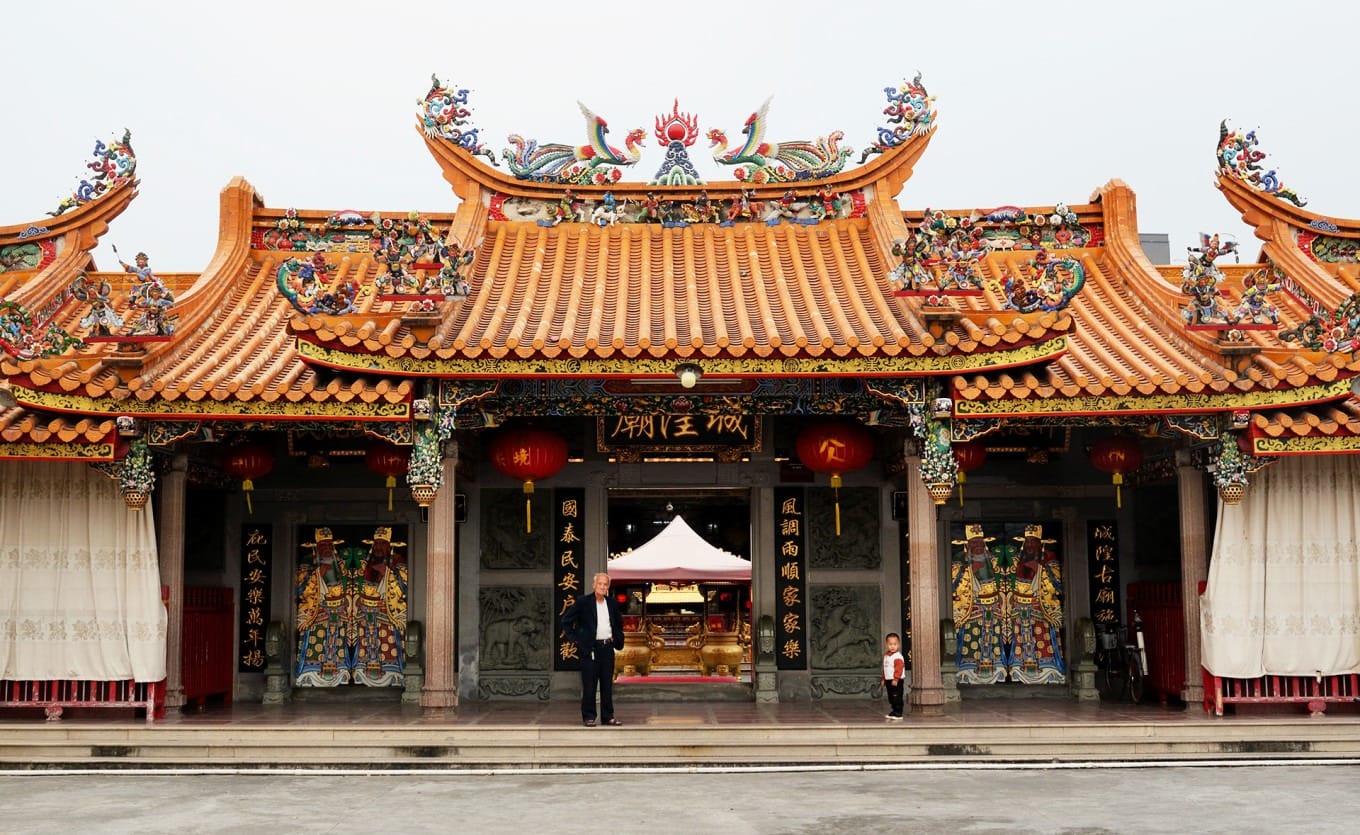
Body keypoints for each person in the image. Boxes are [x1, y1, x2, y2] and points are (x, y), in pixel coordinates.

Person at [561, 572, 625, 726]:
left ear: (608, 587)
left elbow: (618, 624)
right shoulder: (583, 602)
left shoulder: (612, 603)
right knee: (589, 685)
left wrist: (615, 638)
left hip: (607, 648)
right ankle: (589, 716)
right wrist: (577, 639)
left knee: (607, 685)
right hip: (590, 649)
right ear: (594, 585)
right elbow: (566, 621)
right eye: (600, 584)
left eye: (605, 584)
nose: (602, 587)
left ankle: (608, 716)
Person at [882, 632, 907, 720]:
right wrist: (883, 679)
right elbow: (885, 668)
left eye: (895, 644)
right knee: (891, 697)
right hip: (889, 679)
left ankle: (898, 712)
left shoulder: (897, 657)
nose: (892, 646)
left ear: (898, 645)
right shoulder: (886, 656)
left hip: (896, 680)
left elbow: (898, 669)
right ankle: (894, 710)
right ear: (886, 644)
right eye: (890, 644)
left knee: (897, 696)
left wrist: (896, 679)